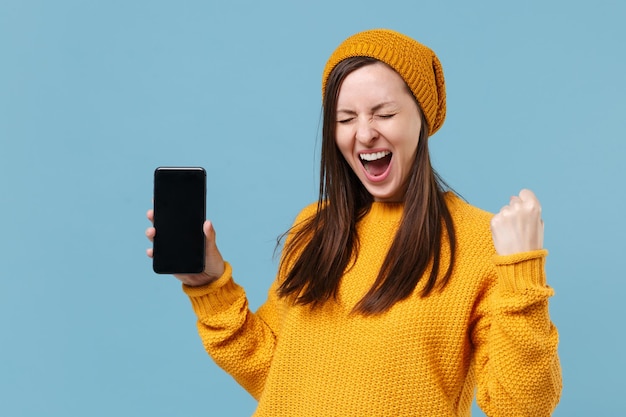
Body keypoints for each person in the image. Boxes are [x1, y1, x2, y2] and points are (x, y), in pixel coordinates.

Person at [145, 28, 562, 416]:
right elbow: (272, 371)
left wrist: (522, 275)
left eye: (383, 113)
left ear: (422, 118)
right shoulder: (314, 229)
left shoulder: (480, 242)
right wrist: (209, 286)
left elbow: (520, 407)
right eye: (346, 119)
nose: (364, 134)